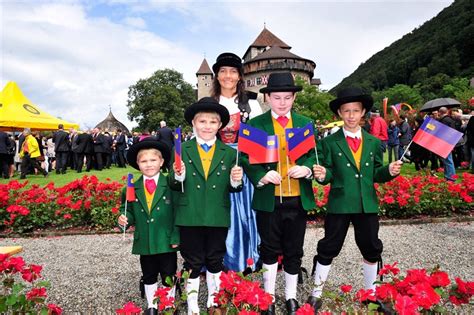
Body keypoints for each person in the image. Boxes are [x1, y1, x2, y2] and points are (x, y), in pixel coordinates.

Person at [311, 87, 402, 312]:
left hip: (366, 203)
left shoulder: (373, 142)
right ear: (340, 114)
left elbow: (377, 173)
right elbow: (329, 172)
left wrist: (389, 170)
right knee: (329, 246)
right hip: (340, 203)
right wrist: (323, 176)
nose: (351, 115)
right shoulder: (329, 142)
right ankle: (316, 293)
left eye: (355, 111)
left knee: (371, 247)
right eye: (346, 111)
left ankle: (371, 294)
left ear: (363, 113)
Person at [241, 72, 317, 315]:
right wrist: (261, 177)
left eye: (287, 97)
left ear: (294, 97)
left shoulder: (305, 123)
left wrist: (307, 170)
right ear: (268, 98)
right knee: (269, 249)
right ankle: (269, 297)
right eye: (276, 97)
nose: (282, 103)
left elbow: (317, 156)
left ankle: (292, 297)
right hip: (269, 200)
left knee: (295, 249)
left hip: (297, 198)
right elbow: (246, 159)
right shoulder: (255, 125)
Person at [169, 97, 243, 314]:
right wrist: (179, 175)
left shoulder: (230, 153)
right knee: (192, 261)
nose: (207, 126)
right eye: (202, 121)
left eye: (212, 122)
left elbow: (234, 189)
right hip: (190, 214)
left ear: (220, 125)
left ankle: (213, 299)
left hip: (216, 215)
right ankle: (192, 304)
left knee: (215, 258)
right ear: (193, 123)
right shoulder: (181, 149)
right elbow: (173, 183)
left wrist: (235, 179)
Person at [211, 52, 263, 272]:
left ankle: (247, 258)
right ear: (216, 76)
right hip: (216, 163)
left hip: (245, 163)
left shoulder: (251, 103)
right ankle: (219, 259)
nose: (228, 76)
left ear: (240, 76)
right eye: (223, 71)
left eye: (233, 71)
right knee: (221, 211)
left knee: (246, 211)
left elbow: (259, 137)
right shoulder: (209, 103)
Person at [118, 138, 179, 315]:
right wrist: (124, 218)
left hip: (166, 239)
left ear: (161, 162)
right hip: (145, 240)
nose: (149, 164)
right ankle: (152, 305)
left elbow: (178, 212)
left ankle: (169, 303)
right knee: (149, 273)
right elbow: (127, 209)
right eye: (143, 161)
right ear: (137, 164)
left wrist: (176, 236)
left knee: (169, 273)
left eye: (153, 160)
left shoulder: (171, 185)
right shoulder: (131, 188)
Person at [438, 107, 456, 181]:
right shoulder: (450, 119)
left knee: (448, 161)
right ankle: (448, 176)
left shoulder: (444, 120)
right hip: (449, 142)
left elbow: (442, 132)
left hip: (445, 142)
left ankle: (450, 178)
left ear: (440, 112)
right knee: (448, 160)